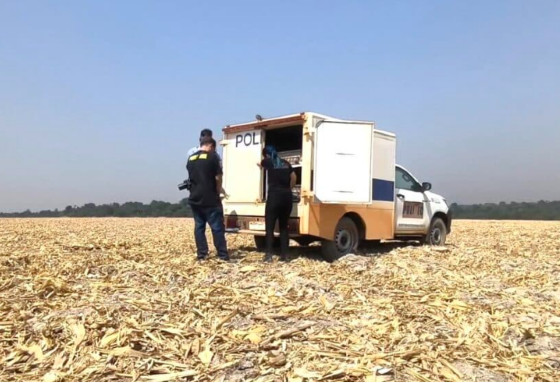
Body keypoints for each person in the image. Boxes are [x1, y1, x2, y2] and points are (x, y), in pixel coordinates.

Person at [187, 136, 229, 261]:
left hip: (195, 198)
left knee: (199, 227)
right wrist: (218, 190)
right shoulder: (212, 158)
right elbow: (218, 178)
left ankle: (202, 254)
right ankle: (222, 255)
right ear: (211, 146)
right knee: (216, 227)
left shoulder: (191, 159)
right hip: (210, 198)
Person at [258, 145, 296, 262]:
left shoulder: (268, 161)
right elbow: (294, 176)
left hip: (274, 198)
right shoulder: (285, 163)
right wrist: (289, 188)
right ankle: (285, 255)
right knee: (284, 227)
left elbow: (259, 164)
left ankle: (269, 255)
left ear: (267, 155)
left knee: (269, 227)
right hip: (287, 197)